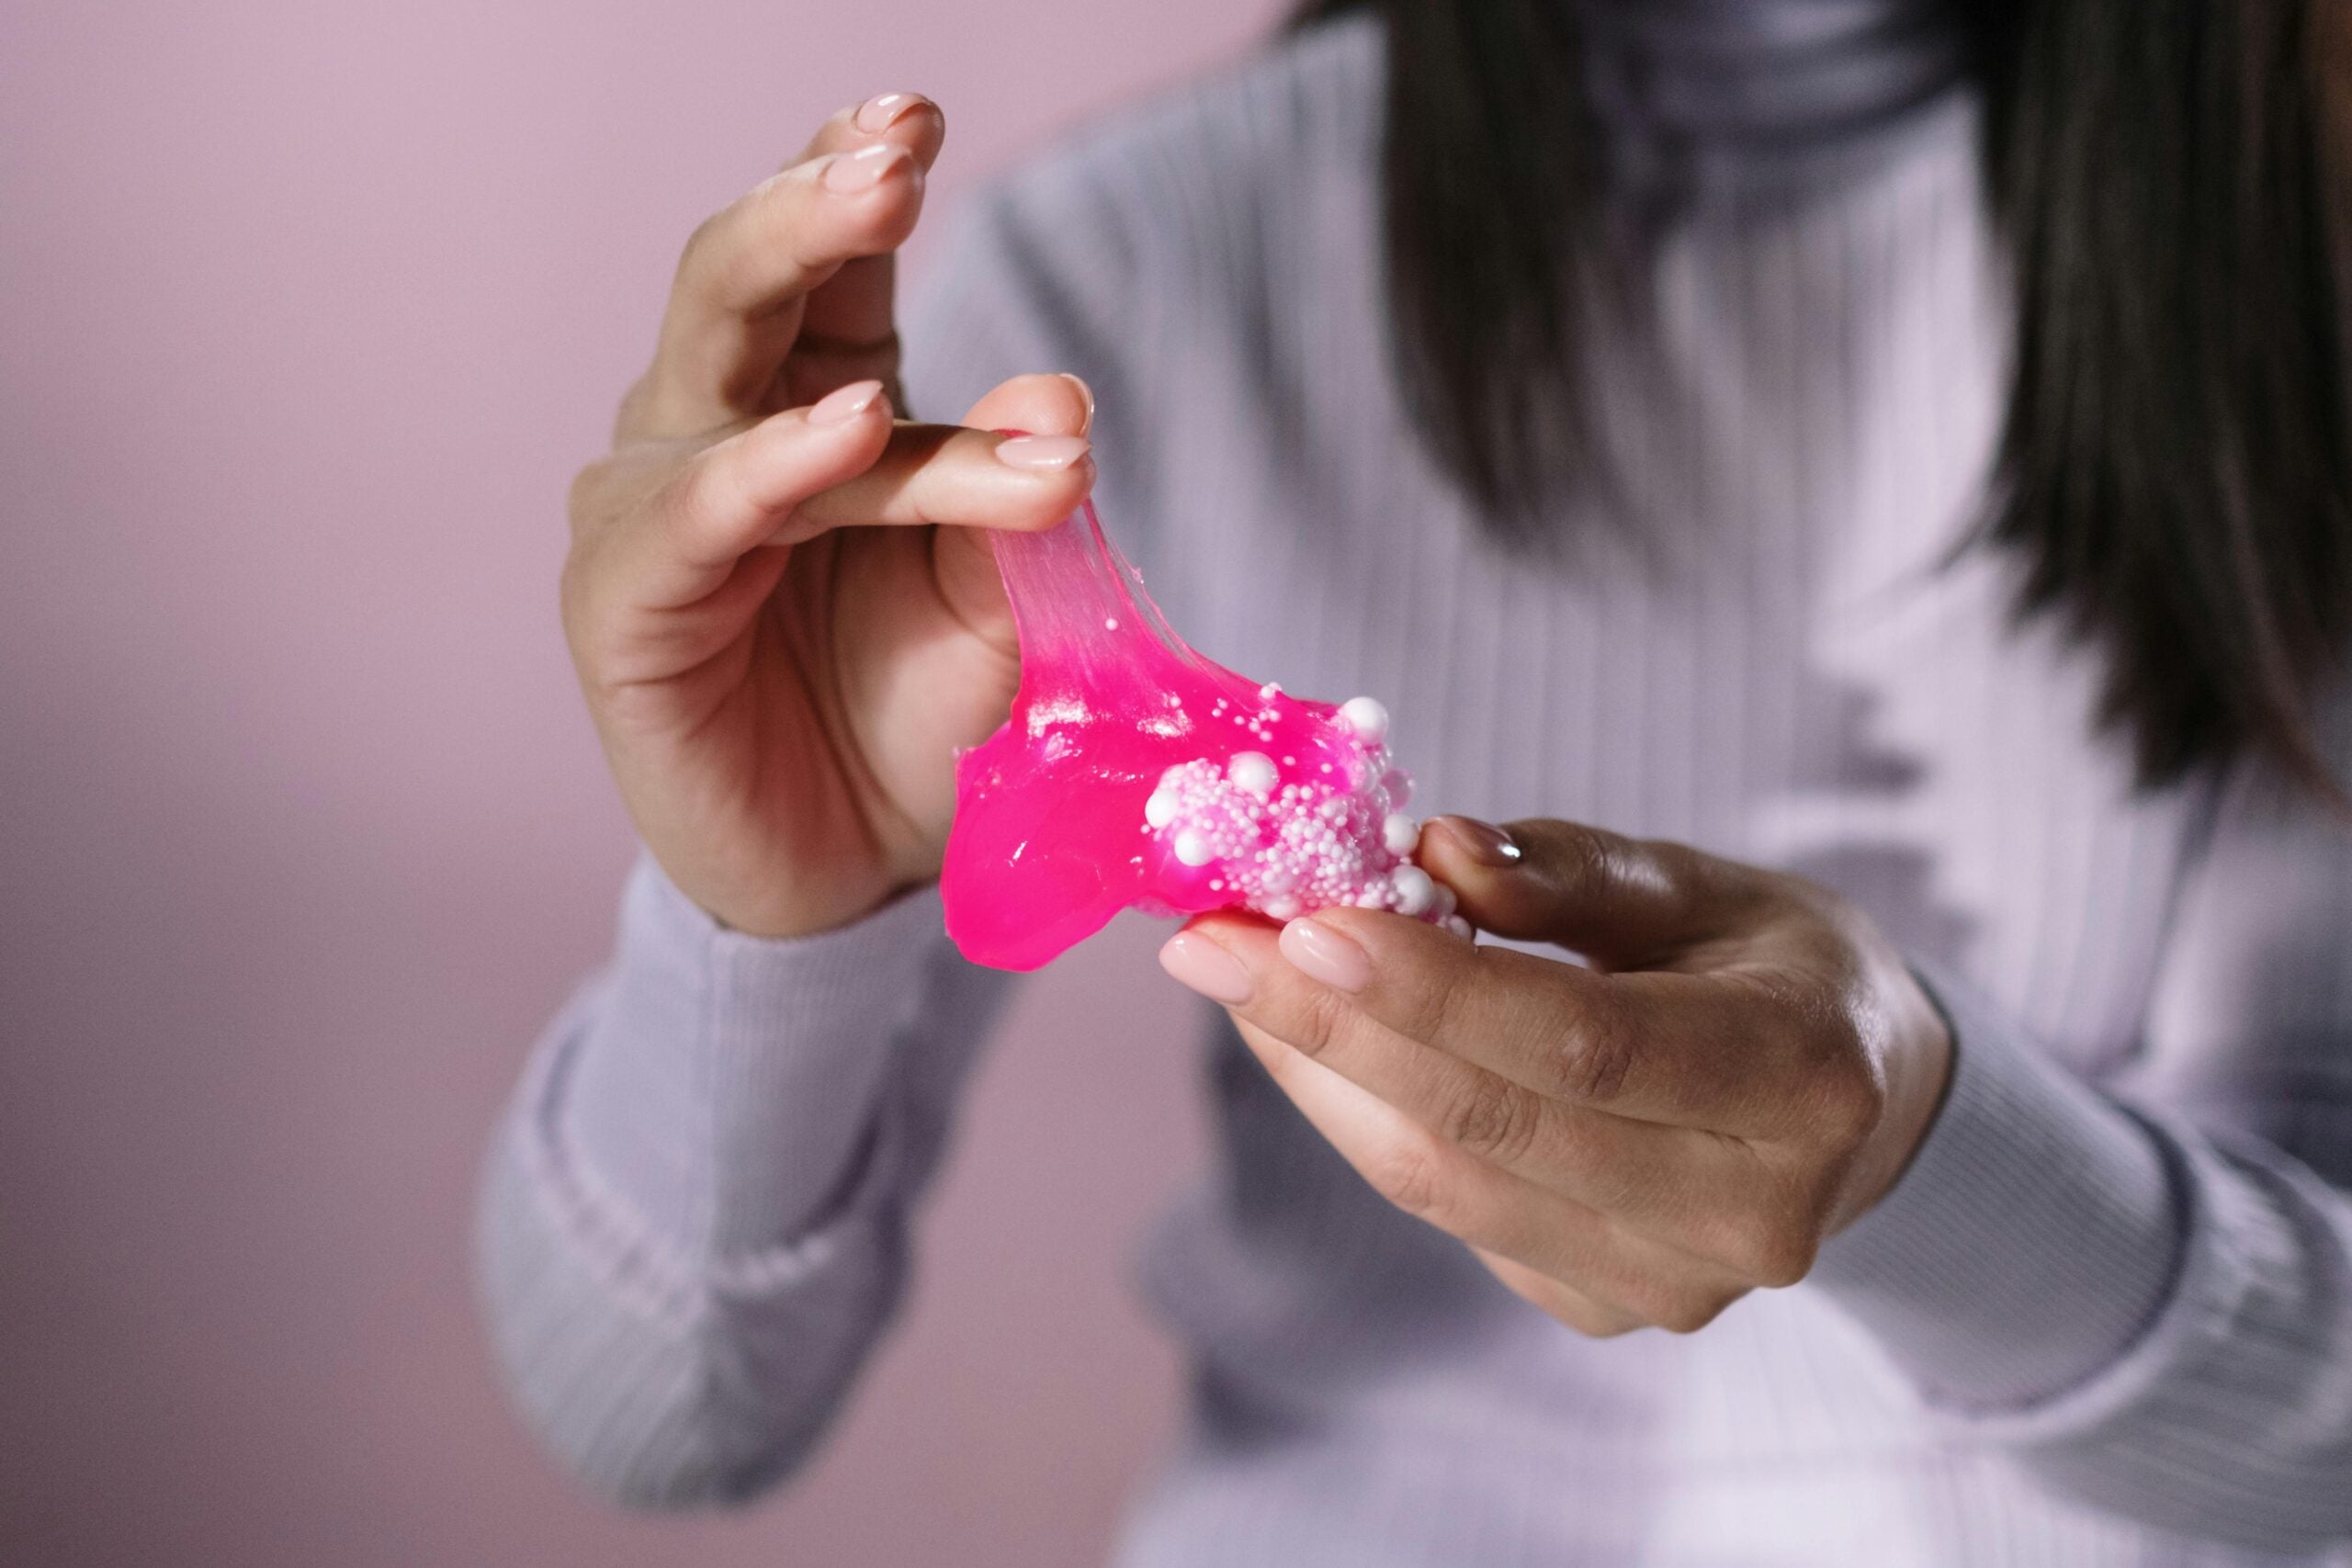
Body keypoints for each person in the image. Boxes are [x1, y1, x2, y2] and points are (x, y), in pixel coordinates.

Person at [475, 1, 2352, 1560]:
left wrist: (1927, 1161)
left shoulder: (2302, 256)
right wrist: (774, 922)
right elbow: (664, 1406)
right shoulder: (1141, 273)